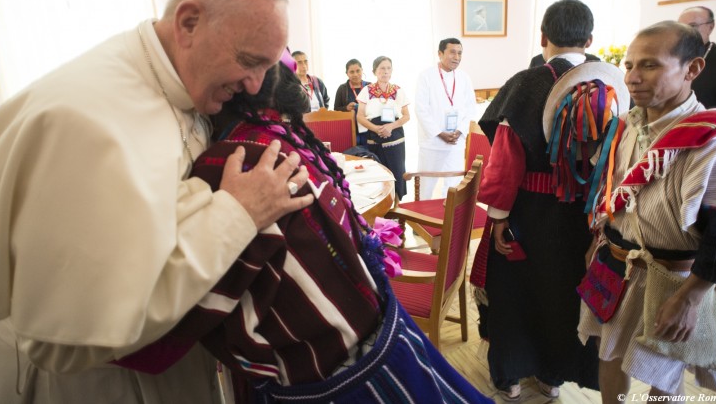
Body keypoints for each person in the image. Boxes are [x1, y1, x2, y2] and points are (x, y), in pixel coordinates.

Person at [0, 0, 315, 403]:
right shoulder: (82, 121)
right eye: (248, 60)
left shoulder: (180, 83)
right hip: (101, 386)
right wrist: (237, 213)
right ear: (188, 23)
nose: (258, 87)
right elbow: (65, 343)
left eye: (267, 65)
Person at [114, 60, 494, 403]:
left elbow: (155, 344)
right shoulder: (290, 141)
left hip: (339, 378)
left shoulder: (238, 165)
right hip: (385, 338)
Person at [577, 20, 716, 403]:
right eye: (630, 65)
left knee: (664, 373)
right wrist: (603, 241)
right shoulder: (628, 127)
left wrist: (690, 298)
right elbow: (618, 193)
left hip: (675, 279)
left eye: (650, 65)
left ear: (692, 69)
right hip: (616, 262)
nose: (633, 77)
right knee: (609, 351)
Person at [472, 0, 604, 401]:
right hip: (582, 215)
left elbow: (506, 160)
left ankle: (510, 375)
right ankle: (553, 375)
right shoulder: (608, 85)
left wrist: (498, 217)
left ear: (543, 37)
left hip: (527, 212)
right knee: (566, 292)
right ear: (590, 39)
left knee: (513, 292)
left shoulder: (527, 83)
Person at [415, 37, 477, 199]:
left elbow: (471, 109)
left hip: (456, 142)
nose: (456, 57)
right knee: (426, 186)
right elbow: (421, 109)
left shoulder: (464, 78)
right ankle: (422, 218)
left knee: (454, 185)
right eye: (452, 52)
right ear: (440, 54)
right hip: (433, 142)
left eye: (460, 53)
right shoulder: (426, 76)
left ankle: (449, 220)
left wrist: (460, 131)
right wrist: (439, 133)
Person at [356, 56, 410, 201]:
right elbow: (360, 116)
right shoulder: (367, 90)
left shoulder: (398, 90)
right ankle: (380, 208)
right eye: (382, 68)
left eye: (388, 68)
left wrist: (391, 126)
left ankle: (397, 207)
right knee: (378, 173)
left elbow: (406, 116)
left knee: (397, 171)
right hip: (374, 136)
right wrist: (375, 128)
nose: (385, 72)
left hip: (395, 136)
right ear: (375, 71)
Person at [333, 58, 370, 146]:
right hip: (350, 130)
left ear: (362, 70)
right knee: (354, 155)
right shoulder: (342, 89)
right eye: (352, 72)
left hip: (368, 128)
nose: (355, 74)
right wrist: (346, 108)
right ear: (347, 73)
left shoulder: (370, 86)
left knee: (370, 155)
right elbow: (335, 110)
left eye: (358, 71)